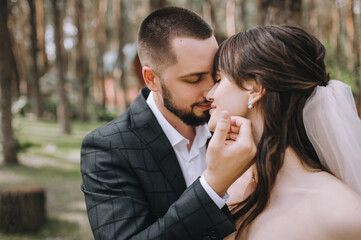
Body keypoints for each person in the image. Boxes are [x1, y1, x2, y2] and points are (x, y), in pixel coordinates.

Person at [80, 7, 255, 239]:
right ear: (152, 79)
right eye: (193, 79)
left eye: (216, 76)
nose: (210, 91)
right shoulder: (107, 148)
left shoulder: (239, 128)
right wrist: (212, 186)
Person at [206, 25, 361, 239]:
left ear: (256, 88)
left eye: (219, 79)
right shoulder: (226, 187)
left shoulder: (342, 214)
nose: (209, 94)